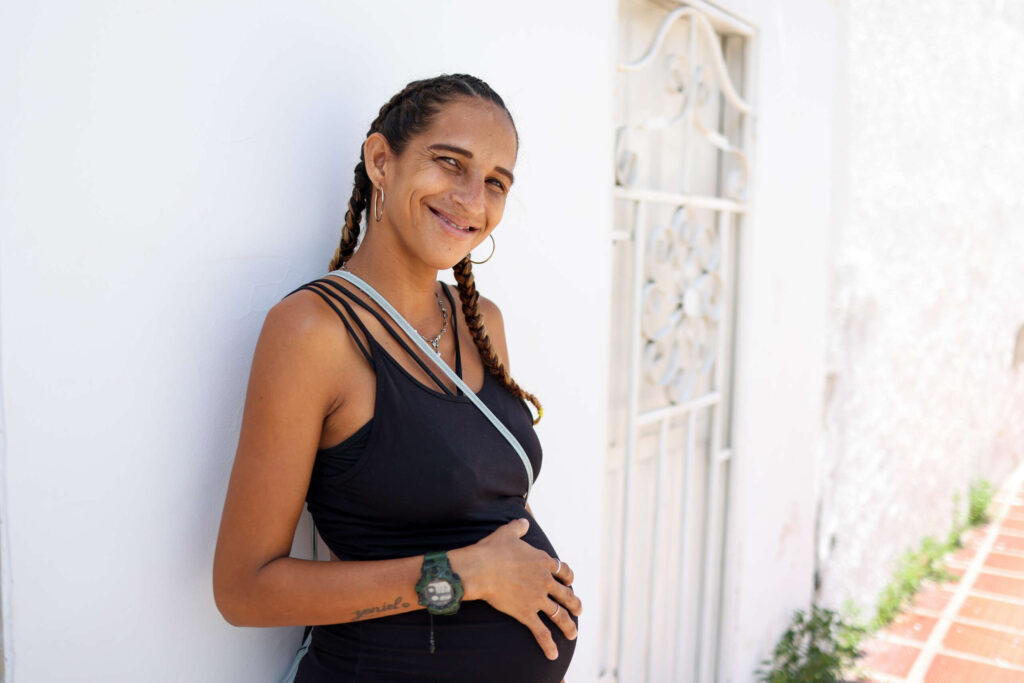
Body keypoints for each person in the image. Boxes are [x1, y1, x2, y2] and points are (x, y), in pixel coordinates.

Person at [212, 74, 581, 682]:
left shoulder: (480, 321)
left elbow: (475, 508)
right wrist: (460, 578)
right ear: (382, 161)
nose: (472, 199)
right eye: (449, 163)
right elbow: (245, 590)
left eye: (495, 183)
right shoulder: (314, 332)